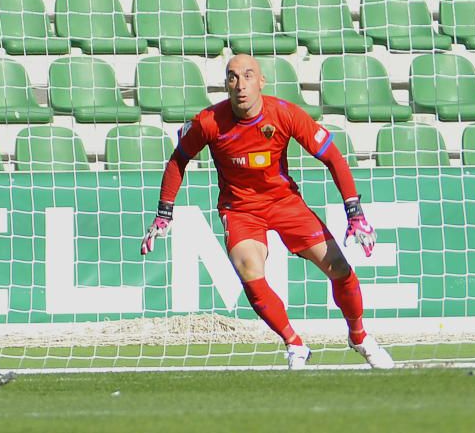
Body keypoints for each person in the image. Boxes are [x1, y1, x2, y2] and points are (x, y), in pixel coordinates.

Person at [140, 54, 394, 370]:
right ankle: (295, 344)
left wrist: (354, 212)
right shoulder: (209, 122)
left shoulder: (284, 114)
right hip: (241, 210)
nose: (240, 84)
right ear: (226, 85)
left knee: (339, 268)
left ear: (261, 82)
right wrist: (164, 212)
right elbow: (179, 159)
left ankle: (359, 337)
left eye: (248, 76)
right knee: (249, 269)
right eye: (232, 77)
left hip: (285, 203)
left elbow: (334, 158)